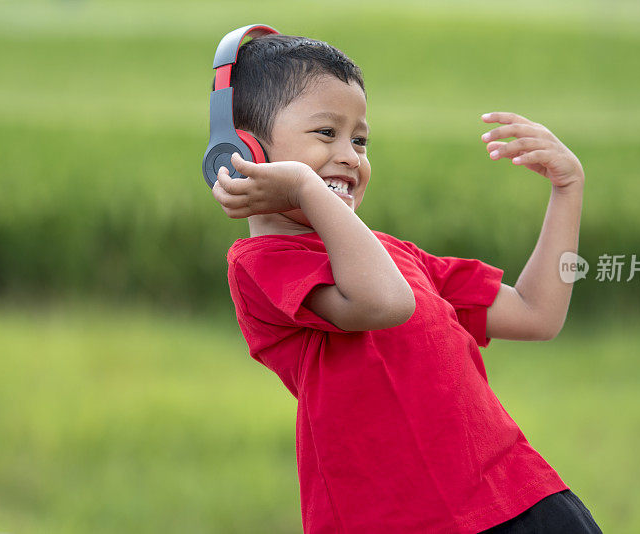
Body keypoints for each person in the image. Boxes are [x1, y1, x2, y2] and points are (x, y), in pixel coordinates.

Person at [211, 33, 601, 534]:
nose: (350, 156)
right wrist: (307, 188)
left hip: (518, 498)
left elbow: (536, 313)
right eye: (326, 132)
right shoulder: (261, 264)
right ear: (242, 148)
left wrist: (568, 190)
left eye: (360, 139)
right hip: (398, 519)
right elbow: (384, 303)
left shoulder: (395, 256)